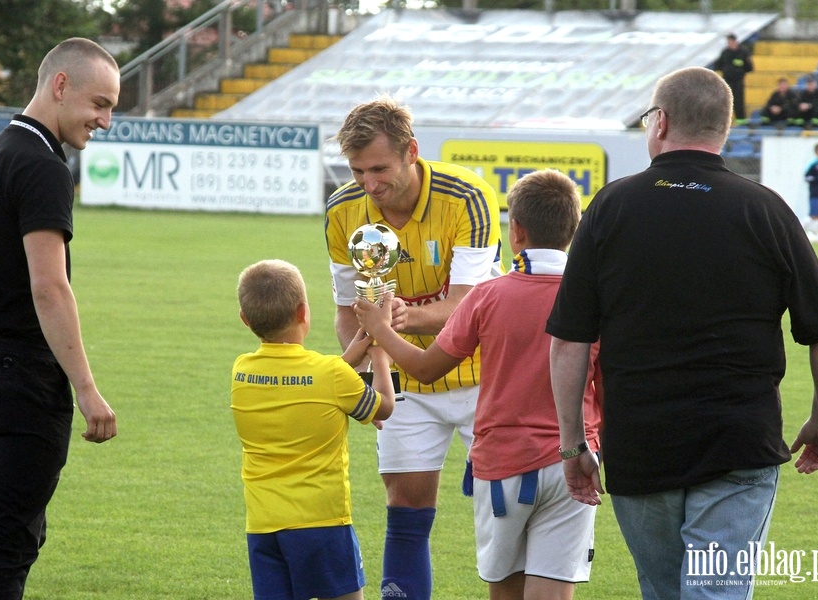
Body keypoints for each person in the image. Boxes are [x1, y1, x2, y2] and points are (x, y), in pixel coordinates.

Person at [547, 65, 818, 600]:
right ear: (725, 127)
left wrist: (573, 446)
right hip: (738, 442)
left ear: (659, 123)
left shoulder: (610, 206)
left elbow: (570, 340)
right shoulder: (766, 209)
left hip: (642, 445)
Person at [353, 169, 602, 600]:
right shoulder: (597, 296)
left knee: (505, 590)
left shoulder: (488, 295)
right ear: (574, 228)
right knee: (555, 590)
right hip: (574, 459)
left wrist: (383, 328)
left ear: (516, 230)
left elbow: (428, 369)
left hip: (503, 465)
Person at [0, 38, 119, 599]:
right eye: (100, 103)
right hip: (18, 370)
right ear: (61, 85)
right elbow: (49, 287)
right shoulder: (43, 165)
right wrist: (87, 389)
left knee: (13, 533)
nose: (107, 120)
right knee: (9, 542)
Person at [325, 96, 502, 599]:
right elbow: (346, 311)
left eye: (380, 168)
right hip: (404, 381)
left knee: (504, 508)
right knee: (405, 506)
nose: (370, 184)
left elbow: (470, 303)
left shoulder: (467, 195)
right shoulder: (342, 211)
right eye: (358, 171)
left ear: (411, 152)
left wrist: (397, 320)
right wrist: (366, 374)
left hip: (483, 375)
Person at [231, 259, 396, 600]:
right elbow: (383, 406)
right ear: (304, 312)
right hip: (322, 522)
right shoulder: (330, 376)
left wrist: (349, 357)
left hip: (263, 525)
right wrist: (381, 349)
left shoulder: (242, 371)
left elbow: (303, 382)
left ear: (245, 320)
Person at [713, 33, 753, 121]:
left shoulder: (743, 52)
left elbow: (749, 67)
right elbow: (718, 65)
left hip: (738, 80)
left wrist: (740, 71)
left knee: (739, 101)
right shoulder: (725, 52)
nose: (729, 44)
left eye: (730, 42)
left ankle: (741, 120)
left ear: (735, 41)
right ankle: (724, 120)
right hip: (727, 80)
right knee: (726, 101)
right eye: (728, 42)